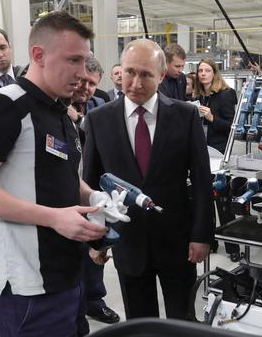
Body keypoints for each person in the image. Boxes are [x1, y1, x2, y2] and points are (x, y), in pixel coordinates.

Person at [0, 11, 108, 337]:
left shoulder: (60, 112)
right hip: (26, 286)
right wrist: (53, 217)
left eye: (85, 62)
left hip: (67, 272)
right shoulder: (4, 106)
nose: (82, 73)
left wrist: (94, 196)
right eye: (74, 60)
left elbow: (62, 175)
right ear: (38, 55)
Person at [82, 38, 214, 320]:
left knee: (183, 319)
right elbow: (91, 184)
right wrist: (96, 240)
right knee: (140, 322)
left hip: (177, 241)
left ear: (162, 75)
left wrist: (202, 235)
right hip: (127, 241)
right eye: (130, 72)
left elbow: (203, 181)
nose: (136, 83)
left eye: (146, 75)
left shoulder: (185, 116)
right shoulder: (98, 119)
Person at [65, 56, 121, 326]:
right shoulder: (57, 107)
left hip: (94, 188)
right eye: (83, 81)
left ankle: (95, 301)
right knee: (72, 256)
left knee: (96, 249)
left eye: (92, 84)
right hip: (66, 194)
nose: (86, 88)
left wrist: (82, 119)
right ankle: (75, 307)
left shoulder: (98, 104)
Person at [194, 58, 237, 154]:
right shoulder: (198, 96)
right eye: (200, 71)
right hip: (200, 146)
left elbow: (231, 127)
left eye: (207, 71)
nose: (203, 73)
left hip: (217, 149)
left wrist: (212, 118)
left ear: (214, 74)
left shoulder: (226, 94)